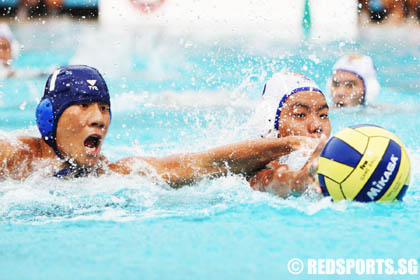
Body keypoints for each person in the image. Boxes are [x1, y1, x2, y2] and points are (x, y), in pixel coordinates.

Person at [0, 65, 318, 187]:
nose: (98, 118)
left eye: (104, 108)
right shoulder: (12, 155)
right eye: (83, 106)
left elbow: (203, 162)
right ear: (48, 116)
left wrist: (293, 145)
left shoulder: (112, 173)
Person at [248, 72, 330, 197]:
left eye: (323, 115)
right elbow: (271, 179)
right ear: (271, 124)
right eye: (300, 115)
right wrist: (298, 181)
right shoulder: (258, 166)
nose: (317, 126)